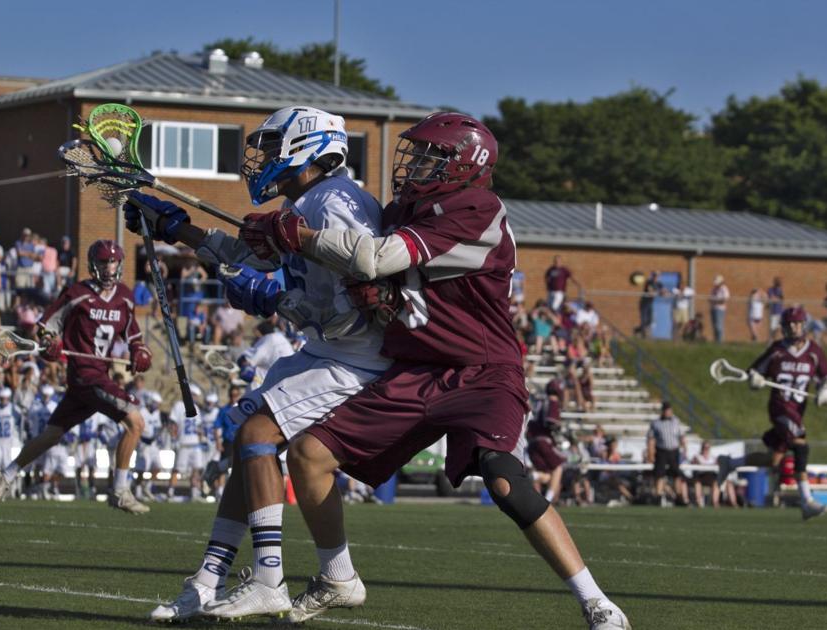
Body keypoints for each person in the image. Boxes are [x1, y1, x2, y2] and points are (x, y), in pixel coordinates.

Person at [244, 112, 629, 628]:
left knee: (502, 478)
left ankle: (596, 601)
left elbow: (374, 259)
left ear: (467, 164)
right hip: (417, 368)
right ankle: (337, 578)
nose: (416, 164)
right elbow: (372, 281)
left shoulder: (476, 208)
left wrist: (300, 235)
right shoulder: (405, 207)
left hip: (481, 369)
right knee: (310, 456)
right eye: (418, 153)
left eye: (431, 156)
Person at [122, 105, 390, 622]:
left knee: (256, 437)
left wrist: (278, 301)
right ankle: (206, 581)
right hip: (326, 349)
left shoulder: (336, 204)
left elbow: (367, 299)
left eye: (271, 147)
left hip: (354, 356)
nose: (262, 158)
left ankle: (269, 580)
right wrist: (180, 230)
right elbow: (248, 254)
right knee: (249, 442)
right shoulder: (309, 200)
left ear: (306, 148)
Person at [0, 239, 153, 517]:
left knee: (51, 435)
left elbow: (132, 333)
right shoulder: (77, 292)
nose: (108, 267)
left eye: (112, 261)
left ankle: (4, 477)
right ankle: (120, 491)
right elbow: (45, 326)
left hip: (97, 377)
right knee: (135, 422)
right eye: (103, 262)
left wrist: (139, 350)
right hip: (86, 374)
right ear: (92, 264)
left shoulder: (124, 296)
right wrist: (51, 342)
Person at [717, 306, 827, 520]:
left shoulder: (814, 351)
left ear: (804, 325)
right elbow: (753, 373)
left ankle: (730, 463)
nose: (793, 328)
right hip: (780, 408)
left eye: (797, 324)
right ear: (783, 327)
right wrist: (756, 380)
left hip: (798, 411)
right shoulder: (777, 350)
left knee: (773, 460)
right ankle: (807, 501)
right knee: (801, 447)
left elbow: (826, 376)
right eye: (789, 325)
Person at [646, 401, 688, 506]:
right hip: (661, 451)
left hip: (674, 450)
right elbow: (651, 439)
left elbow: (681, 436)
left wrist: (684, 449)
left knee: (676, 474)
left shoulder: (676, 421)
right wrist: (650, 453)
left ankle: (678, 496)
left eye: (669, 410)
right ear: (663, 411)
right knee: (659, 474)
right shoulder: (656, 423)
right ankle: (658, 496)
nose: (668, 412)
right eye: (666, 410)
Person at [634, 271, 659, 338]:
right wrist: (656, 293)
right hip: (644, 303)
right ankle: (642, 334)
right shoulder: (649, 282)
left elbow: (663, 290)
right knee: (644, 320)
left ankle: (638, 330)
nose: (656, 277)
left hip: (650, 303)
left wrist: (663, 292)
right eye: (655, 276)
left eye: (657, 276)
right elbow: (650, 291)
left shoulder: (657, 283)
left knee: (650, 320)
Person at [709, 275, 729, 343]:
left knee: (719, 326)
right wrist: (713, 300)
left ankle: (720, 341)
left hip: (720, 309)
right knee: (714, 326)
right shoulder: (714, 288)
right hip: (713, 308)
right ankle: (716, 341)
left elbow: (724, 300)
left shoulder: (724, 288)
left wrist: (715, 301)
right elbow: (710, 298)